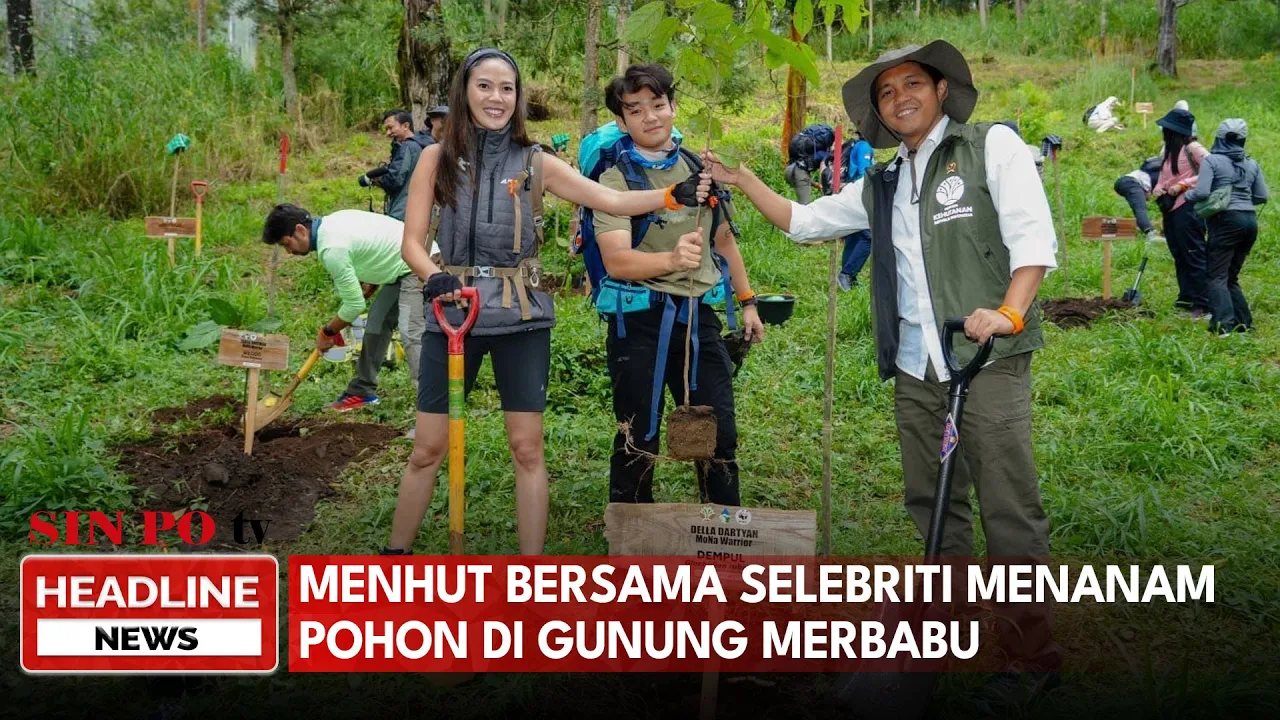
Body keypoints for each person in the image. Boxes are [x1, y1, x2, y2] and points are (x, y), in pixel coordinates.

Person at [704, 40, 1061, 709]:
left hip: (986, 361)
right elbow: (807, 222)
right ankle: (942, 633)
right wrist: (746, 181)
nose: (901, 98)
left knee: (1008, 507)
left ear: (941, 90)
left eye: (912, 84)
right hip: (916, 367)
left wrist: (1010, 313)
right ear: (880, 113)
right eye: (886, 92)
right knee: (934, 507)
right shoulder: (884, 180)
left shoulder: (991, 149)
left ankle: (1029, 656)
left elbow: (1033, 238)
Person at [384, 48, 710, 556]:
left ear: (519, 98)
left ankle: (529, 571)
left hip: (521, 316)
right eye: (485, 86)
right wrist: (434, 276)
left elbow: (612, 201)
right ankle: (394, 557)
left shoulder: (536, 161)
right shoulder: (434, 157)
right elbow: (412, 242)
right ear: (465, 91)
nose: (496, 98)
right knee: (427, 449)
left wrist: (670, 197)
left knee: (527, 447)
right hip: (452, 312)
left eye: (507, 88)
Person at [592, 63, 765, 506]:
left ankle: (723, 536)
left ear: (673, 107)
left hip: (698, 317)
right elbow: (615, 260)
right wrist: (669, 258)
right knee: (638, 434)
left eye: (659, 104)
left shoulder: (700, 169)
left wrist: (747, 302)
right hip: (638, 320)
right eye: (636, 109)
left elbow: (722, 239)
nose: (650, 116)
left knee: (717, 430)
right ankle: (630, 538)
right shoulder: (614, 181)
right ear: (622, 120)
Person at [261, 205, 433, 416]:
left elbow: (354, 305)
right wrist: (372, 276)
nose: (289, 251)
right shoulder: (333, 220)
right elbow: (372, 244)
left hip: (420, 263)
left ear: (300, 230)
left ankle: (431, 408)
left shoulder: (331, 249)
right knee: (376, 324)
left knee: (411, 333)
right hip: (406, 260)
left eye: (287, 244)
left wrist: (328, 332)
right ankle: (362, 390)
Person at [1182, 118, 1269, 335]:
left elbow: (1201, 192)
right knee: (1231, 275)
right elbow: (1262, 196)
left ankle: (1222, 327)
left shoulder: (1212, 161)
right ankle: (1243, 323)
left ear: (1219, 138)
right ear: (1243, 140)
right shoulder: (1252, 163)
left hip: (1225, 221)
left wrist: (1186, 193)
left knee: (1216, 276)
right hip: (1249, 221)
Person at [1151, 107, 1210, 316]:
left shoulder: (1193, 147)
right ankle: (1186, 297)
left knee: (1194, 254)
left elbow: (1212, 167)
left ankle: (1202, 303)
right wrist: (1158, 188)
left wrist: (1184, 185)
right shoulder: (1169, 149)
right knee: (1179, 253)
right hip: (1170, 208)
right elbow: (1164, 175)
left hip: (1188, 207)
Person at [821, 129, 875, 290]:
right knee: (869, 236)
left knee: (854, 234)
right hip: (860, 194)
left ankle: (847, 276)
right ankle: (848, 273)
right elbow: (865, 172)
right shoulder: (865, 147)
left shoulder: (856, 145)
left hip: (849, 192)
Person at [359, 109, 426, 221]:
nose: (388, 133)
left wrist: (376, 180)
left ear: (405, 126)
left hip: (402, 210)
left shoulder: (408, 147)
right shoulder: (419, 145)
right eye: (386, 129)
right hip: (416, 208)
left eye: (390, 128)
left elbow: (394, 180)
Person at [1113, 155, 1164, 242]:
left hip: (1125, 181)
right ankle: (1150, 233)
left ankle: (1140, 227)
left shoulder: (1151, 172)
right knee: (1140, 208)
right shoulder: (1160, 175)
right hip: (1131, 182)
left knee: (1138, 207)